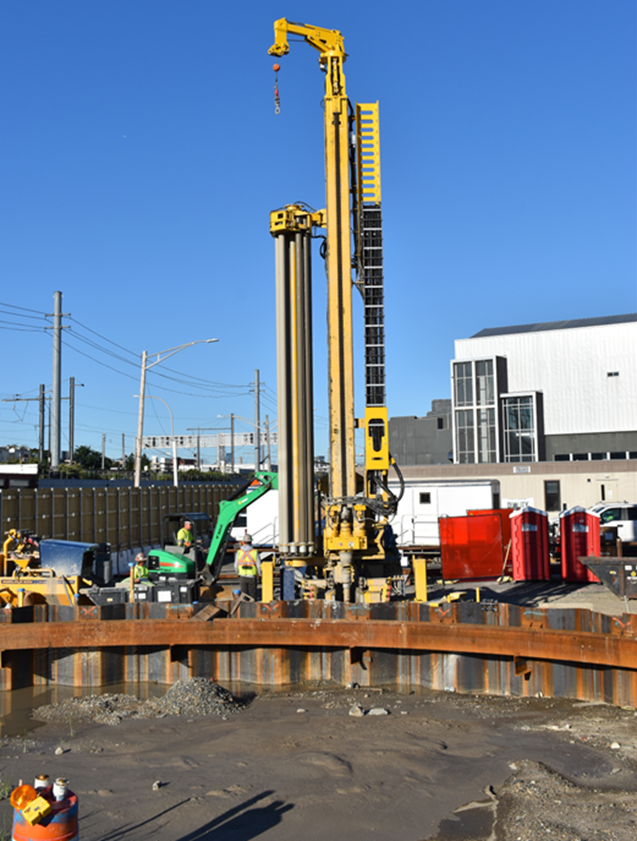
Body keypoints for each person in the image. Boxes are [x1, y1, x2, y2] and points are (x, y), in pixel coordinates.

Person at [234, 534, 261, 600]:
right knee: (252, 595)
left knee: (244, 595)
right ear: (251, 542)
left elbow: (235, 565)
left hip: (242, 576)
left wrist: (237, 573)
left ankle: (244, 607)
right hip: (252, 576)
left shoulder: (239, 552)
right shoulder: (255, 552)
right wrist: (260, 574)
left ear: (243, 542)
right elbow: (259, 565)